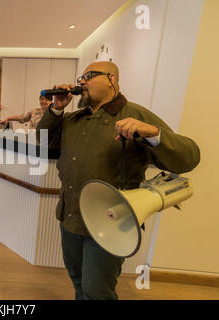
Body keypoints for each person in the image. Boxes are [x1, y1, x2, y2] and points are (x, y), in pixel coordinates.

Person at [37, 61, 200, 300]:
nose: (81, 81)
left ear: (111, 79)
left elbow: (188, 158)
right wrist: (57, 109)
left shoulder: (137, 115)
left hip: (109, 221)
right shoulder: (72, 119)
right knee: (78, 279)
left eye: (88, 76)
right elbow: (45, 141)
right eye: (80, 77)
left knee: (97, 290)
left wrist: (153, 133)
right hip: (70, 215)